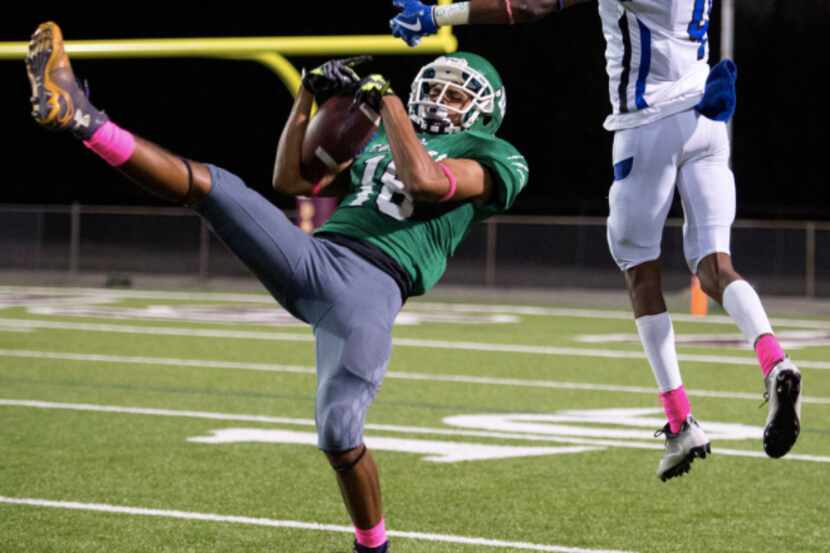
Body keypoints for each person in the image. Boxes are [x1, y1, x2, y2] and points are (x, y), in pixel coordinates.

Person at [26, 21, 527, 551]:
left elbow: (426, 181)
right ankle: (82, 117)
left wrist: (389, 103)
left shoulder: (497, 156)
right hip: (314, 257)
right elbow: (290, 180)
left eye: (455, 93)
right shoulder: (384, 137)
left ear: (483, 110)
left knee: (339, 432)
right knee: (213, 187)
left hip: (369, 292)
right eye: (436, 86)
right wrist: (307, 95)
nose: (440, 98)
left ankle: (372, 546)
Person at [390, 0, 802, 481]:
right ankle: (774, 361)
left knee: (640, 273)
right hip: (707, 118)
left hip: (648, 123)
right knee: (715, 266)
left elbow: (526, 6)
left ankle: (680, 421)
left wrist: (440, 16)